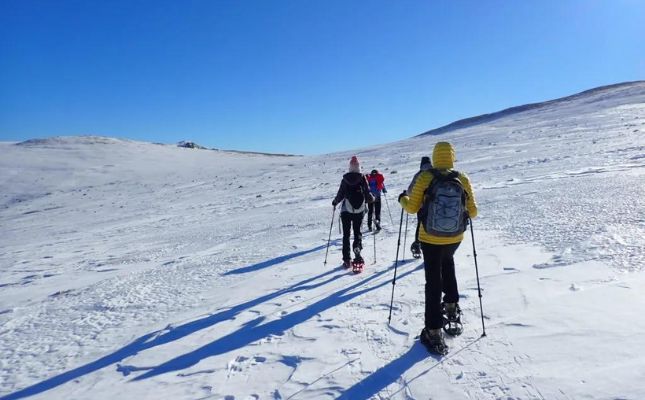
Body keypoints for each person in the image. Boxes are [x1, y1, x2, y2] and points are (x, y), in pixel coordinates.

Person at [398, 142, 477, 354]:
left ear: (435, 156)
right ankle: (451, 307)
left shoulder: (425, 177)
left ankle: (433, 330)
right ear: (452, 156)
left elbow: (412, 208)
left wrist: (402, 198)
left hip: (430, 237)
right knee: (448, 264)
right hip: (455, 237)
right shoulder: (462, 178)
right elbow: (474, 212)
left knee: (433, 281)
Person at [332, 156, 374, 269]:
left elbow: (340, 194)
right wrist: (371, 199)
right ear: (359, 167)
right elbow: (367, 193)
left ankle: (346, 259)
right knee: (357, 232)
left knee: (346, 235)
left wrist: (335, 202)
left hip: (346, 210)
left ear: (350, 167)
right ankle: (357, 253)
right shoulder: (362, 178)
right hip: (359, 210)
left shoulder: (345, 179)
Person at [410, 156, 432, 257]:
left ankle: (418, 245)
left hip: (421, 206)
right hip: (435, 206)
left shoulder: (418, 175)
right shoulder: (436, 173)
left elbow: (411, 191)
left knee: (421, 225)